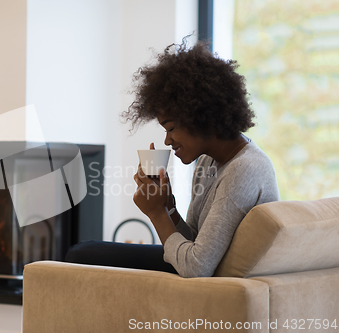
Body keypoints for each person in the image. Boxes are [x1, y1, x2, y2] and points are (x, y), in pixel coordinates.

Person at [65, 38, 280, 278]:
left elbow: (196, 266)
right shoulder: (208, 162)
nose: (167, 141)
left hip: (213, 281)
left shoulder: (244, 169)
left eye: (171, 128)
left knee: (82, 255)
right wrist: (169, 208)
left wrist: (156, 214)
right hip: (204, 269)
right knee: (83, 253)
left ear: (201, 117)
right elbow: (195, 242)